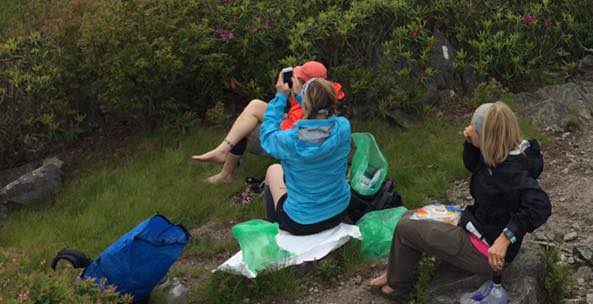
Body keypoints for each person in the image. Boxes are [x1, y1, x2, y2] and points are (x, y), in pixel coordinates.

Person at [368, 101, 551, 301]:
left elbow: (540, 205)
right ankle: (397, 271)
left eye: (475, 128)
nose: (469, 128)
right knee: (409, 216)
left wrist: (505, 238)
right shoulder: (504, 152)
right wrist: (471, 144)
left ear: (488, 138)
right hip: (478, 224)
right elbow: (475, 167)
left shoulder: (510, 171)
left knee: (405, 228)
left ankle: (399, 287)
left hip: (484, 250)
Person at [191, 60, 343, 183]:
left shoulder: (302, 125)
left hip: (291, 142)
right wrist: (293, 93)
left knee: (245, 127)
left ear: (305, 85)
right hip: (304, 133)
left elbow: (278, 136)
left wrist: (281, 96)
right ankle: (223, 154)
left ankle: (225, 171)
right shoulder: (329, 104)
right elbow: (309, 109)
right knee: (254, 108)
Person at [259, 72, 353, 234]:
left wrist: (281, 97)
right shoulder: (343, 127)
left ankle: (277, 229)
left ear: (307, 104)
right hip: (339, 210)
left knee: (273, 170)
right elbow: (319, 113)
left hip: (301, 221)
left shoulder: (290, 140)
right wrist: (303, 97)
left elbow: (267, 137)